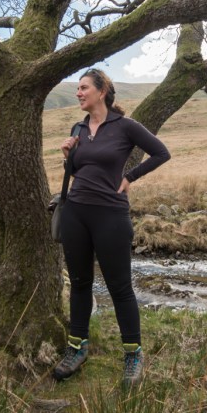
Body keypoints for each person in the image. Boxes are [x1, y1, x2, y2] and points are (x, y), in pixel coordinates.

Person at [52, 68, 170, 387]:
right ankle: (77, 348)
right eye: (77, 88)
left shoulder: (125, 126)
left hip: (111, 215)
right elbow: (77, 171)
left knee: (119, 287)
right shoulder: (78, 127)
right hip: (76, 212)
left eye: (84, 88)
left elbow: (161, 153)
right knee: (79, 283)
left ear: (102, 91)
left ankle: (133, 355)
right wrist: (67, 156)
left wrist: (130, 177)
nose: (78, 93)